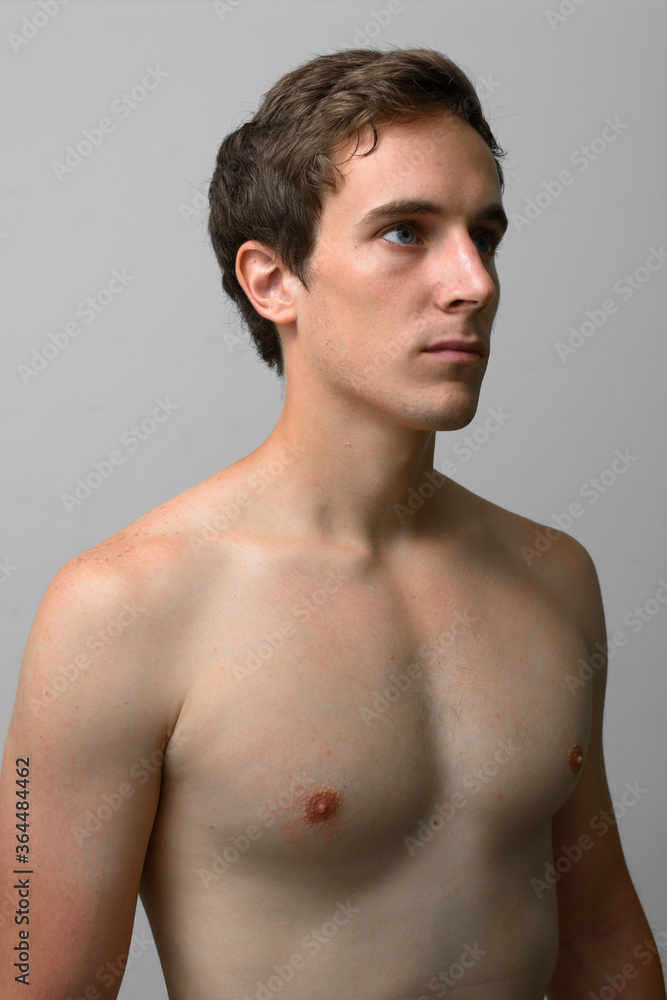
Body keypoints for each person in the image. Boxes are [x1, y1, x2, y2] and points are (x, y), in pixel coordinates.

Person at [0, 46, 664, 1000]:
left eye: (485, 234)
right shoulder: (122, 608)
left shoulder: (552, 575)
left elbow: (603, 950)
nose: (473, 283)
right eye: (406, 232)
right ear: (273, 282)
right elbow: (34, 981)